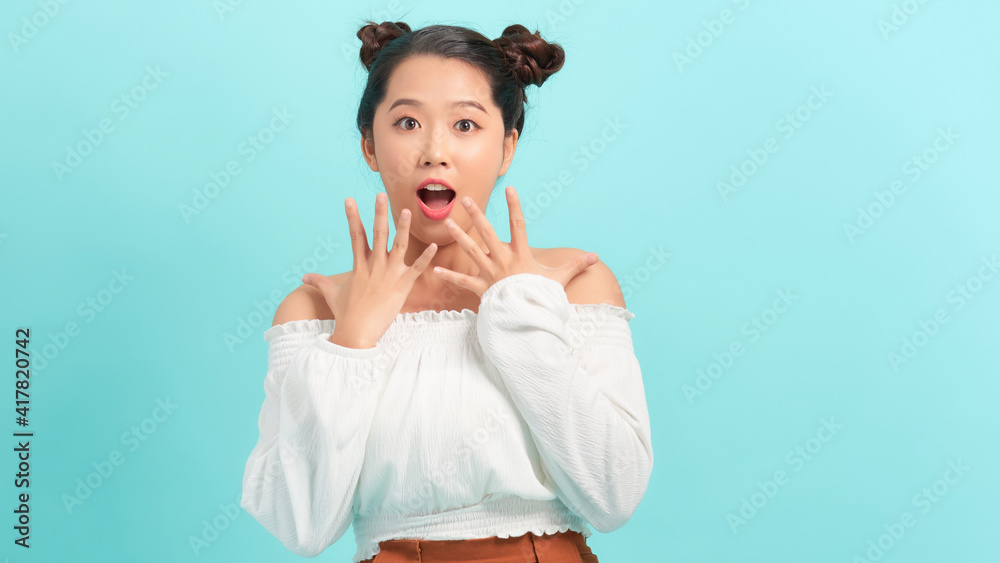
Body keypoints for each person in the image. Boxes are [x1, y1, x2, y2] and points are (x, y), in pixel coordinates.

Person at [240, 20, 653, 563]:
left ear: (507, 147)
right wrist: (352, 341)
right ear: (369, 146)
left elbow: (615, 497)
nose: (435, 151)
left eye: (465, 124)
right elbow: (301, 527)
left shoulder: (569, 286)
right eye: (408, 122)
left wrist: (520, 314)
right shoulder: (317, 310)